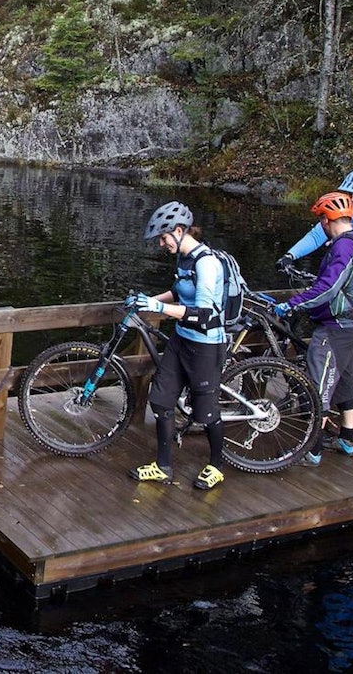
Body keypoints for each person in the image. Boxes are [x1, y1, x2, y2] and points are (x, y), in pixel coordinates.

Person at [128, 201, 229, 491]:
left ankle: (217, 466)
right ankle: (162, 466)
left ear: (180, 230)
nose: (162, 243)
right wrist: (148, 300)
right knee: (160, 399)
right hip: (181, 340)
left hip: (206, 345)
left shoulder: (206, 263)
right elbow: (179, 291)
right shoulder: (183, 259)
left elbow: (204, 314)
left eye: (164, 237)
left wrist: (157, 306)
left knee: (206, 411)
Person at [273, 192, 353, 464]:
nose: (321, 225)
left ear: (328, 219)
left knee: (318, 388)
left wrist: (292, 304)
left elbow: (327, 288)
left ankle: (312, 451)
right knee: (345, 380)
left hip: (335, 327)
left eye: (321, 220)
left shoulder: (343, 247)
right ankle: (346, 440)